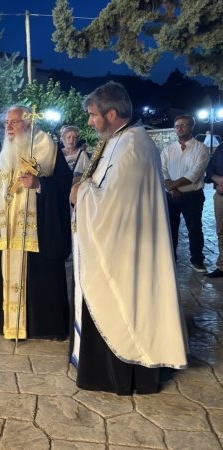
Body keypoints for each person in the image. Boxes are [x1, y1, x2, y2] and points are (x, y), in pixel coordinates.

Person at [71, 81, 187, 394]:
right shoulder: (119, 140)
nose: (90, 122)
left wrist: (81, 194)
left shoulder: (132, 147)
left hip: (128, 250)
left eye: (94, 115)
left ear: (111, 114)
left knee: (128, 309)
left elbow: (114, 205)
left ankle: (124, 374)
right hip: (120, 246)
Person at [0, 106, 72, 341]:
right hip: (9, 234)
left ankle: (44, 328)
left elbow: (64, 187)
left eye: (15, 122)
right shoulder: (4, 155)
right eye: (7, 123)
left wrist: (40, 185)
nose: (9, 127)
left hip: (39, 233)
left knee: (40, 282)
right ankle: (10, 326)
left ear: (29, 124)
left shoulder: (48, 149)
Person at [161, 115, 210, 272]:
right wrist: (173, 189)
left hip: (192, 197)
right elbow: (162, 170)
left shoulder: (201, 148)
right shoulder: (168, 150)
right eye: (177, 126)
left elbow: (195, 173)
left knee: (194, 228)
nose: (179, 128)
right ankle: (171, 259)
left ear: (191, 127)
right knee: (170, 229)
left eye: (183, 125)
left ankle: (197, 260)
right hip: (171, 197)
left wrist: (173, 185)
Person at [205, 142, 223, 278]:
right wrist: (218, 179)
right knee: (221, 231)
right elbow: (210, 168)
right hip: (220, 197)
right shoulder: (221, 148)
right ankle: (222, 266)